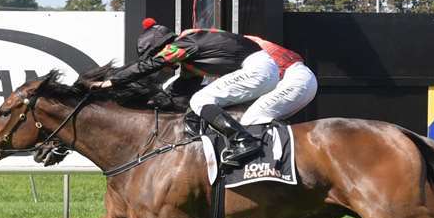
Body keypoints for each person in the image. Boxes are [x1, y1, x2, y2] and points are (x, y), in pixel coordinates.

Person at [93, 18, 318, 165]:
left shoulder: (182, 44)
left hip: (268, 71)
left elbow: (150, 65)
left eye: (157, 55)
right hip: (263, 70)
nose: (166, 63)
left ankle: (245, 143)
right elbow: (180, 90)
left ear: (162, 47)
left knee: (203, 100)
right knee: (202, 101)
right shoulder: (194, 57)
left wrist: (113, 82)